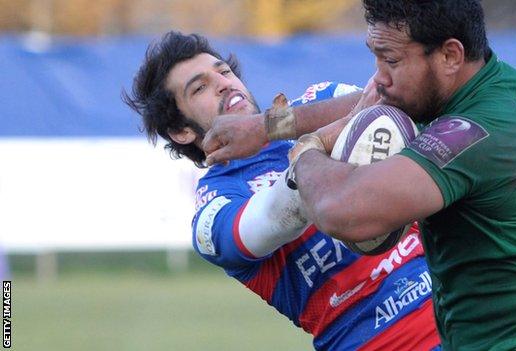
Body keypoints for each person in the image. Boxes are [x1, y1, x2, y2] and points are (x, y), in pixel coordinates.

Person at [201, 1, 516, 350]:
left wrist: (306, 151)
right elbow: (368, 103)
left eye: (390, 60)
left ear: (450, 55)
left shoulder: (474, 131)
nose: (378, 76)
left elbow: (343, 212)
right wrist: (267, 127)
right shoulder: (482, 83)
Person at [123, 31, 440, 350]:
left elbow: (393, 104)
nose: (223, 82)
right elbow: (276, 217)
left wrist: (274, 126)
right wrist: (317, 145)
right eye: (200, 87)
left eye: (223, 71)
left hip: (462, 307)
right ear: (181, 131)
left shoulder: (316, 101)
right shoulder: (215, 208)